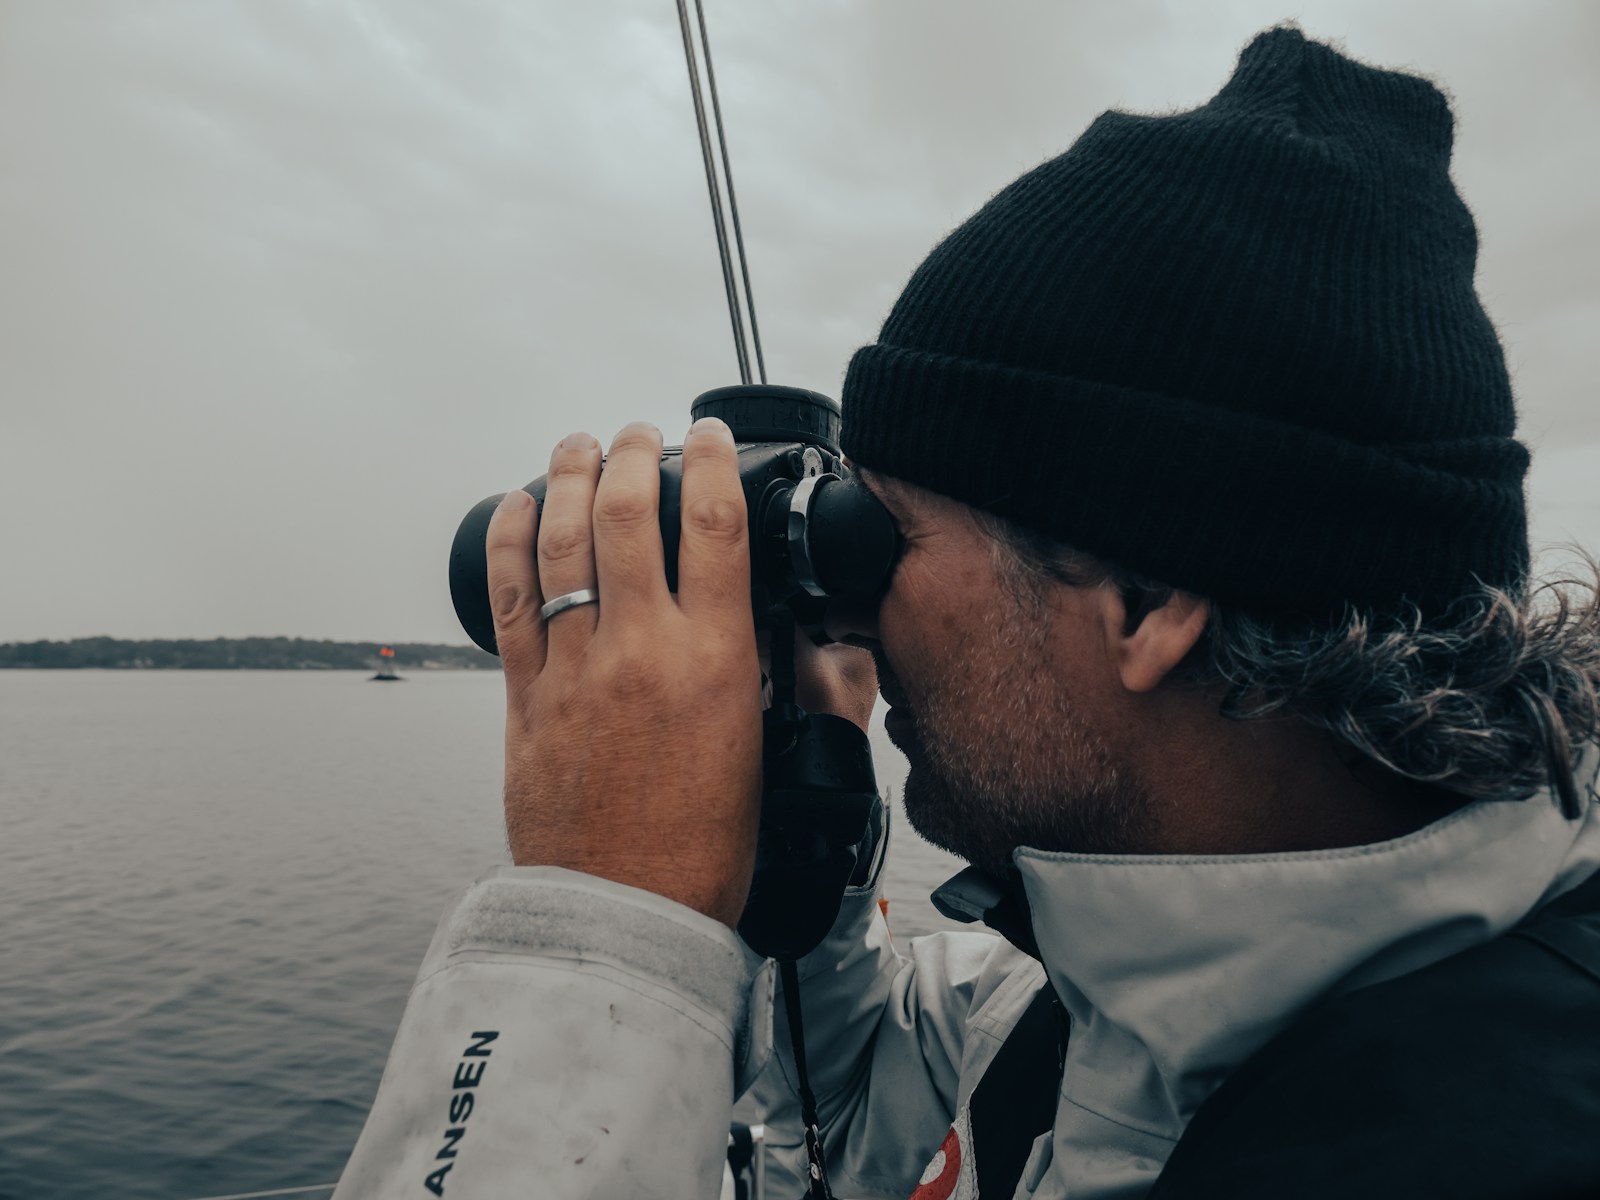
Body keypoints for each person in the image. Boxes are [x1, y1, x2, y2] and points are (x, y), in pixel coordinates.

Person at [332, 26, 1600, 1200]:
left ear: (1147, 600)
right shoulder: (1134, 1003)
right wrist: (803, 834)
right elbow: (875, 1100)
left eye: (881, 532)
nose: (858, 615)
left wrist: (597, 927)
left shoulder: (1483, 1151)